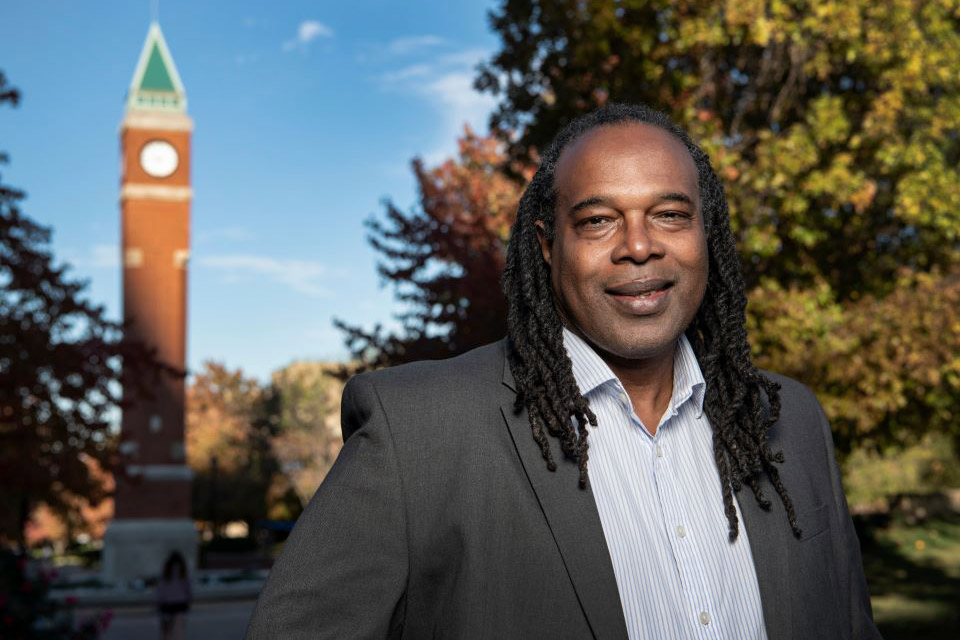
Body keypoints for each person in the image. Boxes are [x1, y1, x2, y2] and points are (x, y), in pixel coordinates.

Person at [246, 104, 881, 639]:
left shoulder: (788, 420)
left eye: (669, 214)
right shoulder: (417, 432)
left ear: (705, 233)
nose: (639, 246)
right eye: (599, 220)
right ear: (550, 247)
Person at [156, 551, 192, 640]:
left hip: (166, 603)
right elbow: (187, 588)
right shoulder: (183, 572)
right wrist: (189, 599)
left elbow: (161, 589)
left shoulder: (165, 572)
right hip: (180, 603)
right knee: (178, 629)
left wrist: (157, 602)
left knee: (166, 630)